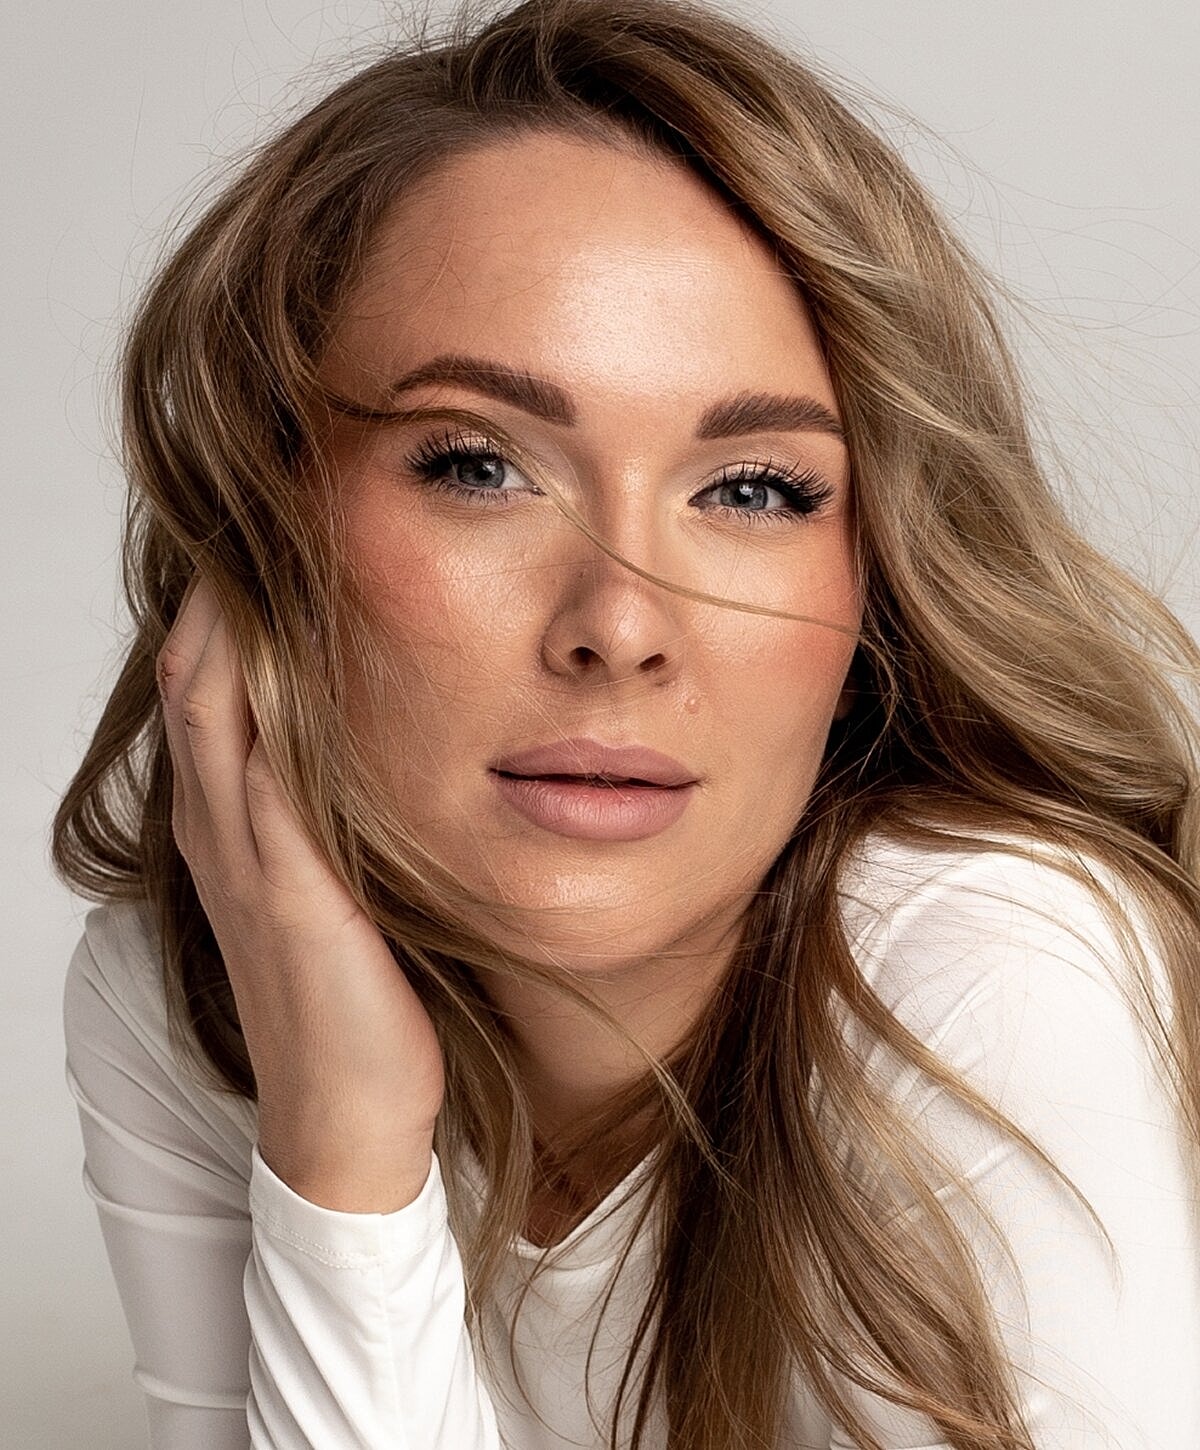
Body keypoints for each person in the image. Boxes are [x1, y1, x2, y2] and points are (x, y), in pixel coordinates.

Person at [52, 0, 1200, 1446]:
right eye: (479, 464)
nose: (622, 621)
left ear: (877, 585)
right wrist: (343, 1149)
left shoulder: (990, 971)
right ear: (269, 517)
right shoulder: (203, 990)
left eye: (754, 490)